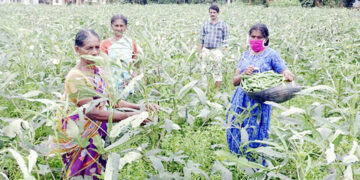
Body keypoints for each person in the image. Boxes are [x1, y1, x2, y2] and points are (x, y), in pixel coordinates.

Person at [52, 29, 159, 179]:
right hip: (78, 134)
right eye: (89, 48)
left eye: (97, 47)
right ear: (77, 50)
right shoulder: (76, 76)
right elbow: (91, 112)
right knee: (78, 173)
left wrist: (141, 107)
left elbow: (111, 101)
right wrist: (131, 117)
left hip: (97, 131)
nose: (95, 52)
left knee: (97, 171)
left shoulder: (99, 70)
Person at [226, 23, 294, 166]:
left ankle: (255, 165)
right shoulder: (245, 55)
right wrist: (244, 74)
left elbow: (283, 71)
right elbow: (235, 81)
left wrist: (287, 74)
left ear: (266, 38)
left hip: (259, 102)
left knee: (255, 129)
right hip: (240, 100)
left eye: (259, 37)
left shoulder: (271, 55)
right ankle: (238, 161)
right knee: (237, 127)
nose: (255, 40)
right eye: (252, 37)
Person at [100, 14, 138, 96]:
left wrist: (131, 79)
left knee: (128, 106)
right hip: (111, 82)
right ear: (111, 26)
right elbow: (102, 65)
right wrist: (106, 83)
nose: (119, 28)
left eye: (121, 26)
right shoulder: (105, 44)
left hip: (127, 82)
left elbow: (136, 63)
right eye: (116, 25)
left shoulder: (131, 43)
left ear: (126, 27)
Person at [199, 4, 229, 91]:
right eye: (211, 12)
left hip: (217, 50)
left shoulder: (223, 25)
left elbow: (226, 39)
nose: (212, 14)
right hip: (206, 50)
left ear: (218, 13)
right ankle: (205, 89)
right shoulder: (205, 24)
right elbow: (201, 38)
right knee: (204, 70)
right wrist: (200, 52)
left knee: (217, 70)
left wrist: (224, 52)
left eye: (214, 12)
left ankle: (217, 90)